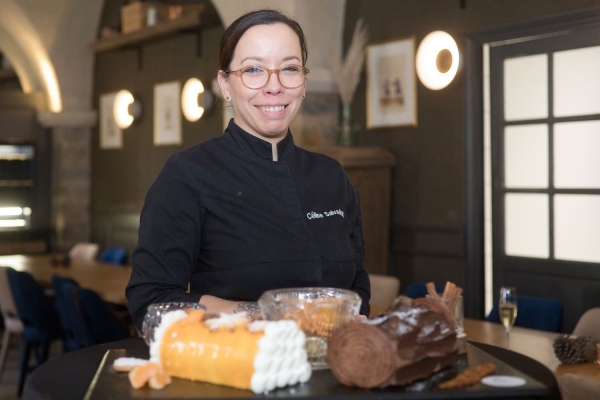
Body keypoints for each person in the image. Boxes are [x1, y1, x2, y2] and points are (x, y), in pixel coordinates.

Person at [125, 9, 370, 331]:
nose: (274, 86)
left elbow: (358, 289)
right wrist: (267, 315)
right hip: (240, 372)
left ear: (304, 83)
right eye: (254, 69)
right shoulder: (188, 175)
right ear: (225, 85)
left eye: (290, 69)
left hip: (335, 372)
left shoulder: (331, 176)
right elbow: (152, 301)